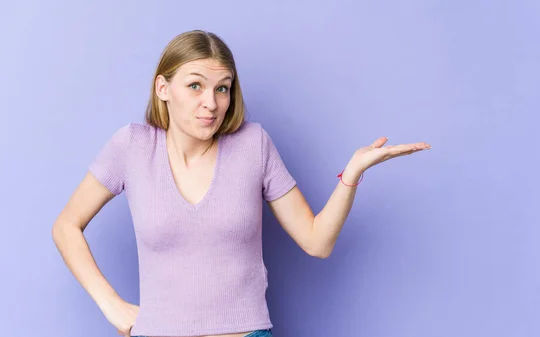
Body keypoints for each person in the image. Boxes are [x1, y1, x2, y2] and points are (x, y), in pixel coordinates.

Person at [51, 30, 431, 337]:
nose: (212, 103)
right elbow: (66, 226)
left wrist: (352, 174)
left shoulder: (253, 144)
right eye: (195, 86)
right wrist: (110, 303)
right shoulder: (132, 146)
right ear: (162, 88)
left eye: (222, 88)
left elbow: (317, 241)